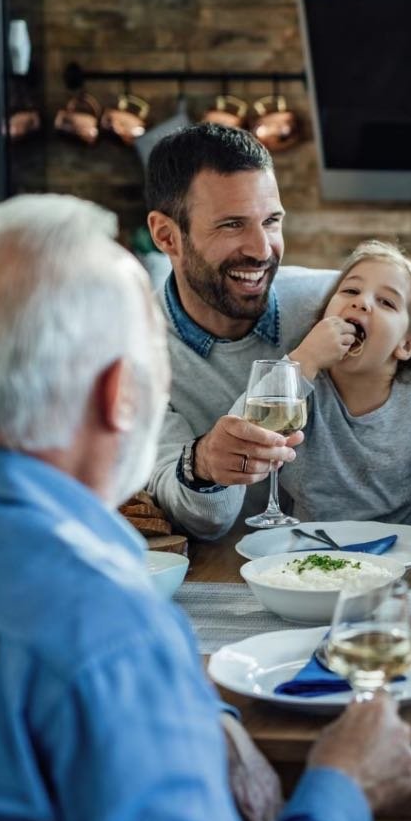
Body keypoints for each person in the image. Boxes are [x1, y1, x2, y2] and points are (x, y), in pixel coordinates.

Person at [0, 195, 411, 821]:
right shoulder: (108, 633)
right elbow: (106, 652)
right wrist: (343, 785)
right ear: (119, 394)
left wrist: (211, 720)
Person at [142, 124, 340, 540]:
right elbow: (203, 520)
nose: (262, 249)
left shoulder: (333, 303)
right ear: (166, 236)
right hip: (222, 570)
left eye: (271, 221)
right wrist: (203, 465)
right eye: (232, 225)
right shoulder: (135, 350)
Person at [234, 240, 411, 526]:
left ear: (407, 345)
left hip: (401, 546)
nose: (361, 302)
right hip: (307, 546)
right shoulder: (300, 386)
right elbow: (245, 433)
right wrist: (306, 357)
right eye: (351, 290)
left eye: (386, 302)